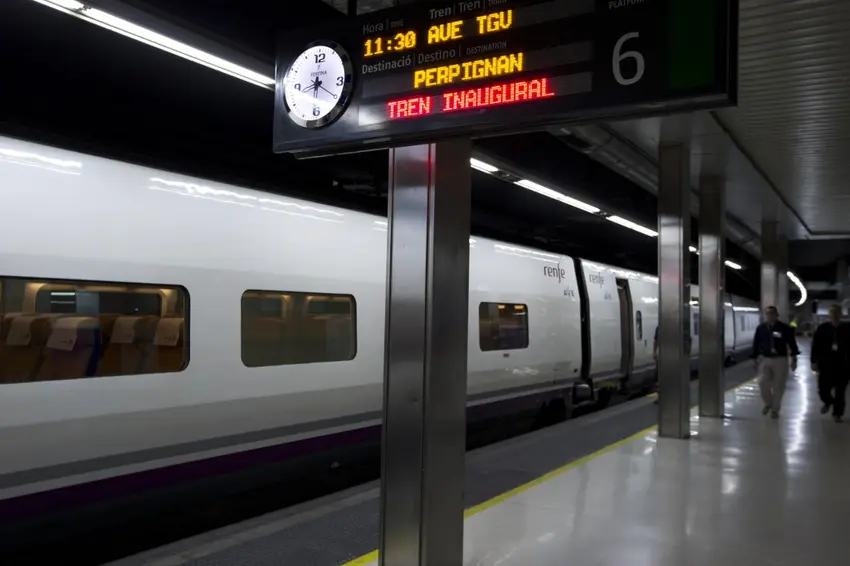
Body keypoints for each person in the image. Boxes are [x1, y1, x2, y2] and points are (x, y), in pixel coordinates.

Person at [751, 306, 799, 418]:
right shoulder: (761, 328)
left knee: (779, 386)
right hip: (765, 358)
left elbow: (792, 343)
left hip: (780, 359)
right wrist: (754, 358)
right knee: (762, 383)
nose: (770, 316)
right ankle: (768, 403)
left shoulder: (785, 328)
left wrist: (794, 358)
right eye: (768, 314)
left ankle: (775, 409)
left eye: (772, 313)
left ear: (777, 315)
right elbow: (756, 343)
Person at [811, 304, 850, 423]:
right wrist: (813, 361)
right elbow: (815, 346)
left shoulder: (847, 328)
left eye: (837, 312)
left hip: (843, 364)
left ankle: (837, 414)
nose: (834, 314)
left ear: (841, 314)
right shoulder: (822, 328)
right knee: (823, 390)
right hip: (825, 364)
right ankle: (828, 402)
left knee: (840, 391)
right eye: (832, 312)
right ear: (829, 314)